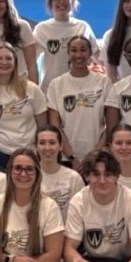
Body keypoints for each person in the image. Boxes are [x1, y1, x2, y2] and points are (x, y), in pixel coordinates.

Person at [46, 36, 117, 170]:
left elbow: (111, 125)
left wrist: (95, 155)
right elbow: (55, 126)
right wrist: (72, 157)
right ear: (68, 53)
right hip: (66, 159)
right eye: (74, 50)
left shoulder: (104, 82)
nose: (78, 55)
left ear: (90, 53)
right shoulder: (56, 85)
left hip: (98, 158)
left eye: (83, 50)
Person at [0, 43, 48, 171]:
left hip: (29, 153)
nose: (4, 62)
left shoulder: (31, 89)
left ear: (15, 62)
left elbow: (43, 127)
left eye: (8, 58)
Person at [33, 0, 100, 93]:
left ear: (72, 2)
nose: (62, 2)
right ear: (50, 3)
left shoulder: (82, 27)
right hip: (50, 90)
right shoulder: (42, 29)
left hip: (79, 88)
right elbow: (30, 61)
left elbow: (98, 56)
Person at [35, 125, 85, 220]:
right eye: (42, 143)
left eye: (52, 143)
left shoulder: (73, 178)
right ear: (35, 146)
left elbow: (80, 214)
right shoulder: (29, 176)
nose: (47, 147)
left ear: (61, 146)